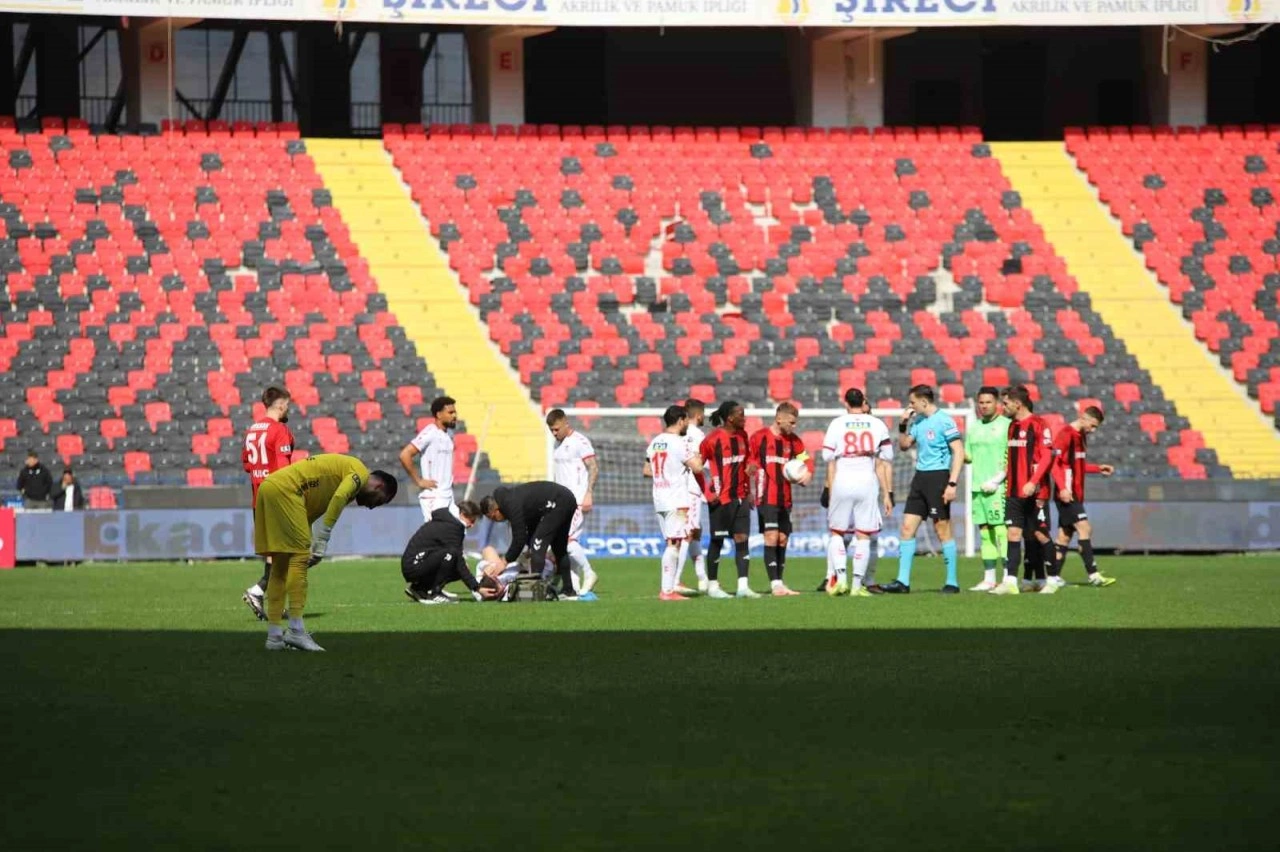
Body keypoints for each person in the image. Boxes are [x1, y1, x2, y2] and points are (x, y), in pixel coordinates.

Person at [255, 454, 398, 651]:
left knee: (280, 565)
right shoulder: (360, 474)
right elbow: (338, 497)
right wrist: (322, 540)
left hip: (269, 487)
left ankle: (274, 637)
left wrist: (309, 542)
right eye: (380, 501)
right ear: (379, 487)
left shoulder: (343, 476)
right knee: (298, 561)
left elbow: (311, 510)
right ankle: (296, 630)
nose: (373, 507)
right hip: (287, 490)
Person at [882, 385, 965, 594]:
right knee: (907, 528)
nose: (910, 406)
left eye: (912, 402)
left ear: (924, 402)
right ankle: (902, 582)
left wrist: (952, 483)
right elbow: (904, 445)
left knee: (942, 529)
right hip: (919, 479)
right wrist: (902, 425)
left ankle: (952, 582)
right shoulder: (917, 421)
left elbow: (959, 452)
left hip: (938, 478)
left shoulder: (944, 420)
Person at [820, 388, 893, 597]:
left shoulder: (837, 423)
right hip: (866, 480)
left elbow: (826, 455)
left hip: (843, 478)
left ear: (846, 403)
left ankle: (840, 580)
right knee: (863, 535)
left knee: (837, 532)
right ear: (863, 403)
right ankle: (857, 586)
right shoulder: (877, 423)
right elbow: (888, 454)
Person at [989, 386, 1055, 596]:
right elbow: (1011, 461)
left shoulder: (1039, 424)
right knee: (1013, 533)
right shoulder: (1012, 427)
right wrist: (1000, 480)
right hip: (1014, 491)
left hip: (1035, 492)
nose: (1003, 407)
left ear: (1018, 403)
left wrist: (1033, 481)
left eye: (1006, 403)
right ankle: (1010, 581)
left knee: (1040, 534)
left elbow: (1047, 456)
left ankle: (1052, 580)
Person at [1046, 406, 1117, 591]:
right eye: (1092, 426)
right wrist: (1062, 488)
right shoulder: (1065, 434)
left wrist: (1097, 468)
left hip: (1075, 493)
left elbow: (1076, 464)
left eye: (1095, 427)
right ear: (1083, 418)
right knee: (1084, 527)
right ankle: (1093, 575)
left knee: (1064, 536)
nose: (1092, 430)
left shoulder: (1080, 436)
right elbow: (1054, 464)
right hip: (1067, 494)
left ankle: (1053, 577)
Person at [241, 387, 295, 620]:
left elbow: (247, 465)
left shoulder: (252, 430)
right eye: (288, 406)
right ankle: (257, 591)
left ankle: (273, 603)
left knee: (274, 554)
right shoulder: (280, 430)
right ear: (281, 405)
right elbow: (284, 469)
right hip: (276, 498)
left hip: (258, 497)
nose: (288, 410)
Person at [480, 481, 580, 600]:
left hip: (558, 502)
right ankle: (568, 590)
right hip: (566, 499)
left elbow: (519, 538)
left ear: (496, 509)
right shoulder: (511, 500)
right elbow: (531, 527)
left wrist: (505, 561)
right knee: (559, 547)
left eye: (493, 518)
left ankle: (536, 593)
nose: (496, 521)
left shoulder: (509, 504)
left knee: (537, 545)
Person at [698, 400, 759, 599]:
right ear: (731, 418)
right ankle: (713, 586)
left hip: (741, 497)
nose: (745, 418)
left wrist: (750, 477)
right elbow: (694, 468)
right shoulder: (712, 440)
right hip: (720, 499)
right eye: (741, 415)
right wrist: (707, 494)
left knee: (742, 539)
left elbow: (749, 459)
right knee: (717, 540)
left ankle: (743, 586)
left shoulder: (743, 436)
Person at [750, 402, 811, 596]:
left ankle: (780, 583)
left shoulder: (794, 441)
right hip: (765, 495)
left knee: (783, 539)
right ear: (779, 419)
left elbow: (806, 459)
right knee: (771, 536)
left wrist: (807, 473)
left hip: (785, 497)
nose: (794, 426)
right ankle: (775, 584)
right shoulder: (759, 438)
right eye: (791, 422)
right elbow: (749, 462)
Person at [644, 404, 704, 600]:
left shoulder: (655, 442)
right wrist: (702, 454)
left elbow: (647, 470)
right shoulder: (680, 442)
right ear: (680, 421)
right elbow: (697, 467)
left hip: (659, 498)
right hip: (677, 499)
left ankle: (668, 589)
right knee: (674, 543)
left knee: (672, 541)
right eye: (686, 420)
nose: (687, 423)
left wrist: (666, 472)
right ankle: (667, 591)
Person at [546, 408, 599, 598]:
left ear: (566, 423)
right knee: (566, 543)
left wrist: (588, 494)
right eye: (551, 430)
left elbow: (593, 467)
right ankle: (573, 587)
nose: (554, 433)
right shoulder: (556, 444)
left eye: (556, 429)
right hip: (560, 501)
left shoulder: (580, 441)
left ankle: (589, 572)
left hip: (576, 499)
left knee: (567, 541)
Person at [964, 387, 1011, 591]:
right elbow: (969, 456)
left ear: (997, 404)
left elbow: (1014, 459)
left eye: (988, 402)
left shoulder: (1007, 426)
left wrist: (997, 479)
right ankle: (989, 578)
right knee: (984, 533)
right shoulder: (973, 427)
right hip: (978, 487)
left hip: (998, 487)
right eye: (981, 402)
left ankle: (1009, 577)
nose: (984, 406)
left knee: (1001, 531)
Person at [402, 500, 493, 605]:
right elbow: (457, 557)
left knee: (456, 564)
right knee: (452, 555)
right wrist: (477, 588)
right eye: (471, 521)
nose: (472, 525)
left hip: (415, 563)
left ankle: (419, 589)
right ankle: (434, 593)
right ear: (462, 515)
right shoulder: (453, 527)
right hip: (414, 565)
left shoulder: (449, 522)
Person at [400, 396, 459, 522]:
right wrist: (419, 481)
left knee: (457, 532)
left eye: (455, 412)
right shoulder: (430, 433)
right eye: (450, 412)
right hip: (434, 496)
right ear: (438, 414)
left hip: (447, 494)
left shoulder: (447, 435)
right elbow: (405, 454)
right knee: (438, 536)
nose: (454, 415)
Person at [676, 397, 709, 593]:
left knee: (695, 531)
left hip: (678, 490)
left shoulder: (677, 433)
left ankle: (702, 578)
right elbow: (702, 464)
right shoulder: (698, 435)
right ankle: (676, 580)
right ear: (698, 415)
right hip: (692, 489)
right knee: (687, 533)